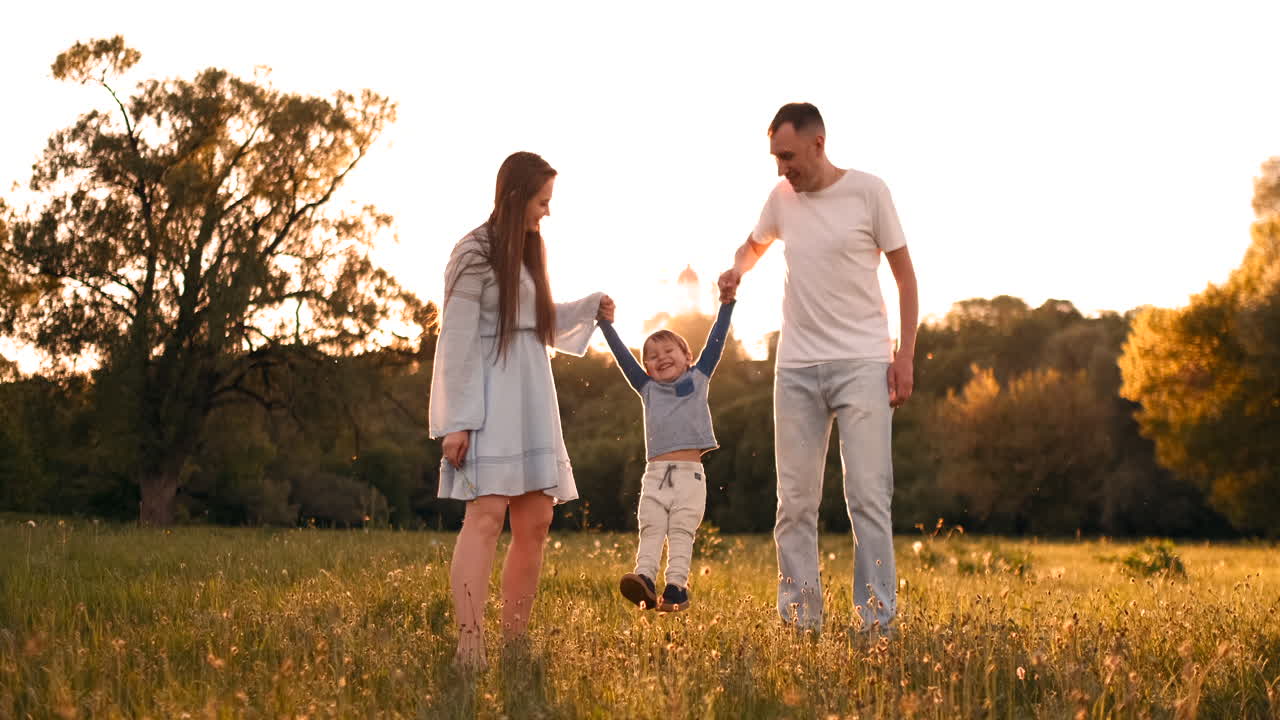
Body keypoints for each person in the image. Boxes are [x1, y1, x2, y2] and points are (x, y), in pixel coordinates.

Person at [717, 102, 918, 635]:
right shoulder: (781, 198)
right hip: (798, 369)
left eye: (787, 156)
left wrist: (905, 355)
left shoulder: (869, 192)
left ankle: (877, 626)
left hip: (864, 364)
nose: (782, 169)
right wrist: (736, 269)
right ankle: (801, 624)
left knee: (869, 498)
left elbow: (906, 279)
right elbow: (754, 244)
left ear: (818, 144)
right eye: (775, 159)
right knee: (795, 504)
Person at [428, 151, 615, 669]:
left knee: (535, 518)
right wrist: (458, 421)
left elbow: (536, 318)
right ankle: (471, 642)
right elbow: (459, 338)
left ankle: (515, 642)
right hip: (488, 396)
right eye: (542, 201)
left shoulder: (529, 250)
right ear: (517, 197)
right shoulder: (472, 252)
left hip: (532, 391)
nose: (547, 212)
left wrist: (589, 308)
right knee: (486, 515)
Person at [598, 299, 735, 612]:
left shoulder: (698, 379)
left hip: (690, 477)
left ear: (688, 357)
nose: (661, 359)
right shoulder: (647, 388)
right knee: (650, 528)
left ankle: (676, 589)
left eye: (669, 351)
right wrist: (605, 325)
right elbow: (622, 357)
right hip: (656, 477)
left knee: (681, 532)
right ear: (646, 367)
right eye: (652, 356)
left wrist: (726, 304)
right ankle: (644, 578)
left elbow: (716, 340)